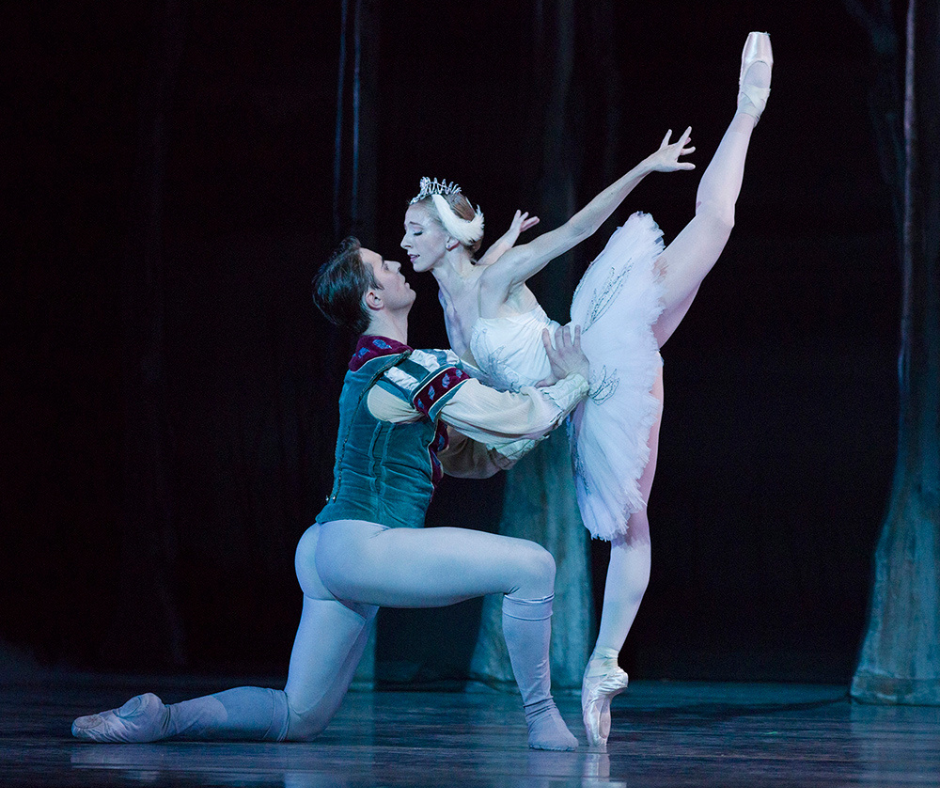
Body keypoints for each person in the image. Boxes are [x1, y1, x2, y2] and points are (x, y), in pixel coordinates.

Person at [71, 238, 594, 750]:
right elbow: (516, 417)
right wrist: (574, 382)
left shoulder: (373, 370)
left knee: (297, 716)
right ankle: (542, 719)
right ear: (373, 298)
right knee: (533, 566)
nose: (397, 266)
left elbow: (473, 457)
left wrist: (531, 424)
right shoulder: (407, 368)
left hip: (325, 550)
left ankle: (161, 719)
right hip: (364, 546)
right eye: (385, 267)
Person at [400, 32, 772, 750]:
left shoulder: (486, 282)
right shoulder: (454, 311)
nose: (406, 239)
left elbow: (577, 227)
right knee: (629, 521)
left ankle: (747, 108)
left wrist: (646, 164)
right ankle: (603, 664)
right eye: (407, 229)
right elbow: (488, 395)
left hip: (597, 346)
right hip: (585, 395)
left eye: (416, 229)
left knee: (713, 226)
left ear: (447, 239)